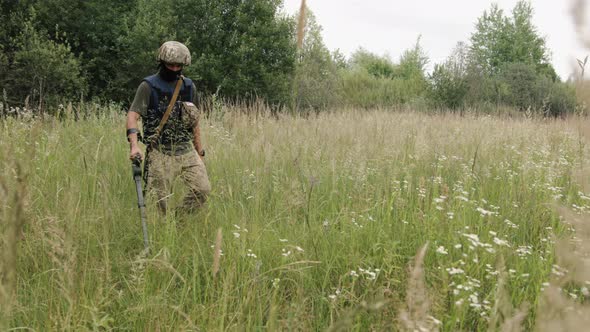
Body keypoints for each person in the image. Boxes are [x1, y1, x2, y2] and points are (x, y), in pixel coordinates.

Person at [126, 41, 210, 213]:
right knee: (160, 204)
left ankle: (177, 221)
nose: (173, 69)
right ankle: (165, 228)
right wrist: (135, 146)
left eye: (178, 66)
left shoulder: (189, 87)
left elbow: (195, 122)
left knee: (202, 189)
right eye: (170, 65)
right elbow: (133, 116)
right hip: (159, 152)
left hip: (186, 150)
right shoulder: (148, 86)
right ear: (161, 62)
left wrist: (199, 152)